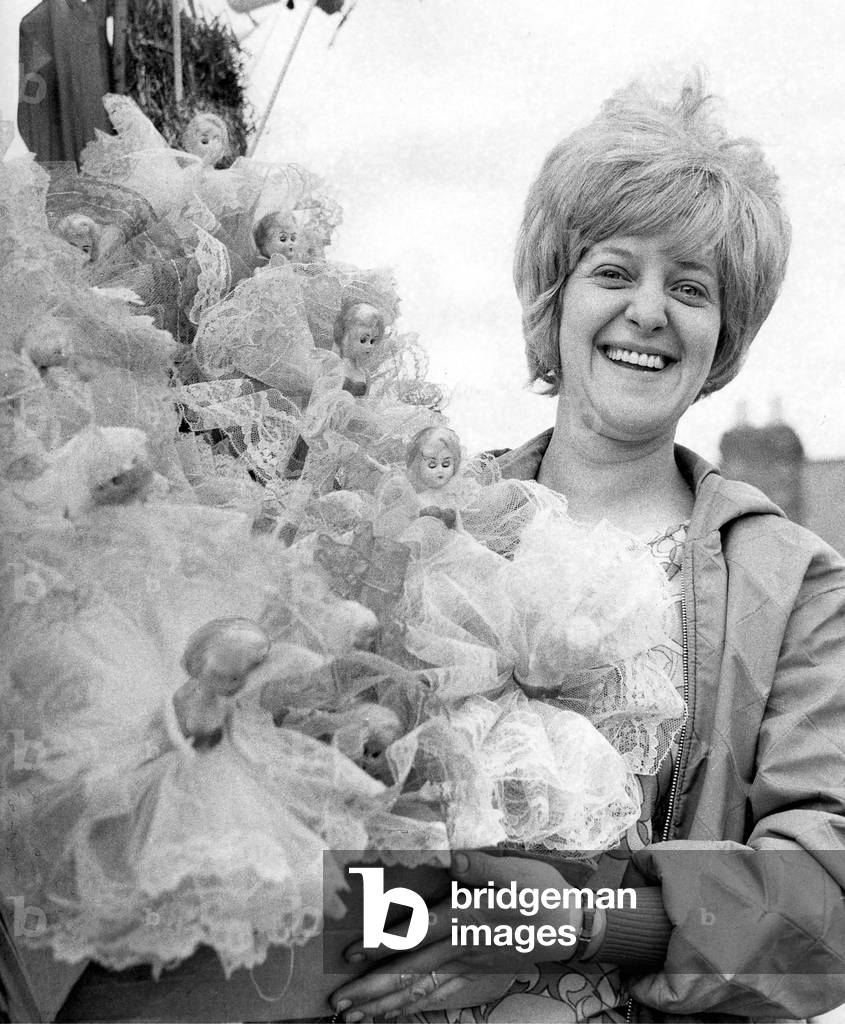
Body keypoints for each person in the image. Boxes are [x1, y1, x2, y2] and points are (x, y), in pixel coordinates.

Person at [329, 73, 845, 1022]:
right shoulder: (415, 525)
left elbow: (826, 910)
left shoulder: (796, 585)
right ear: (552, 296)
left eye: (689, 287)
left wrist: (575, 922)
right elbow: (331, 808)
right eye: (614, 270)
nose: (649, 310)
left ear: (722, 334)